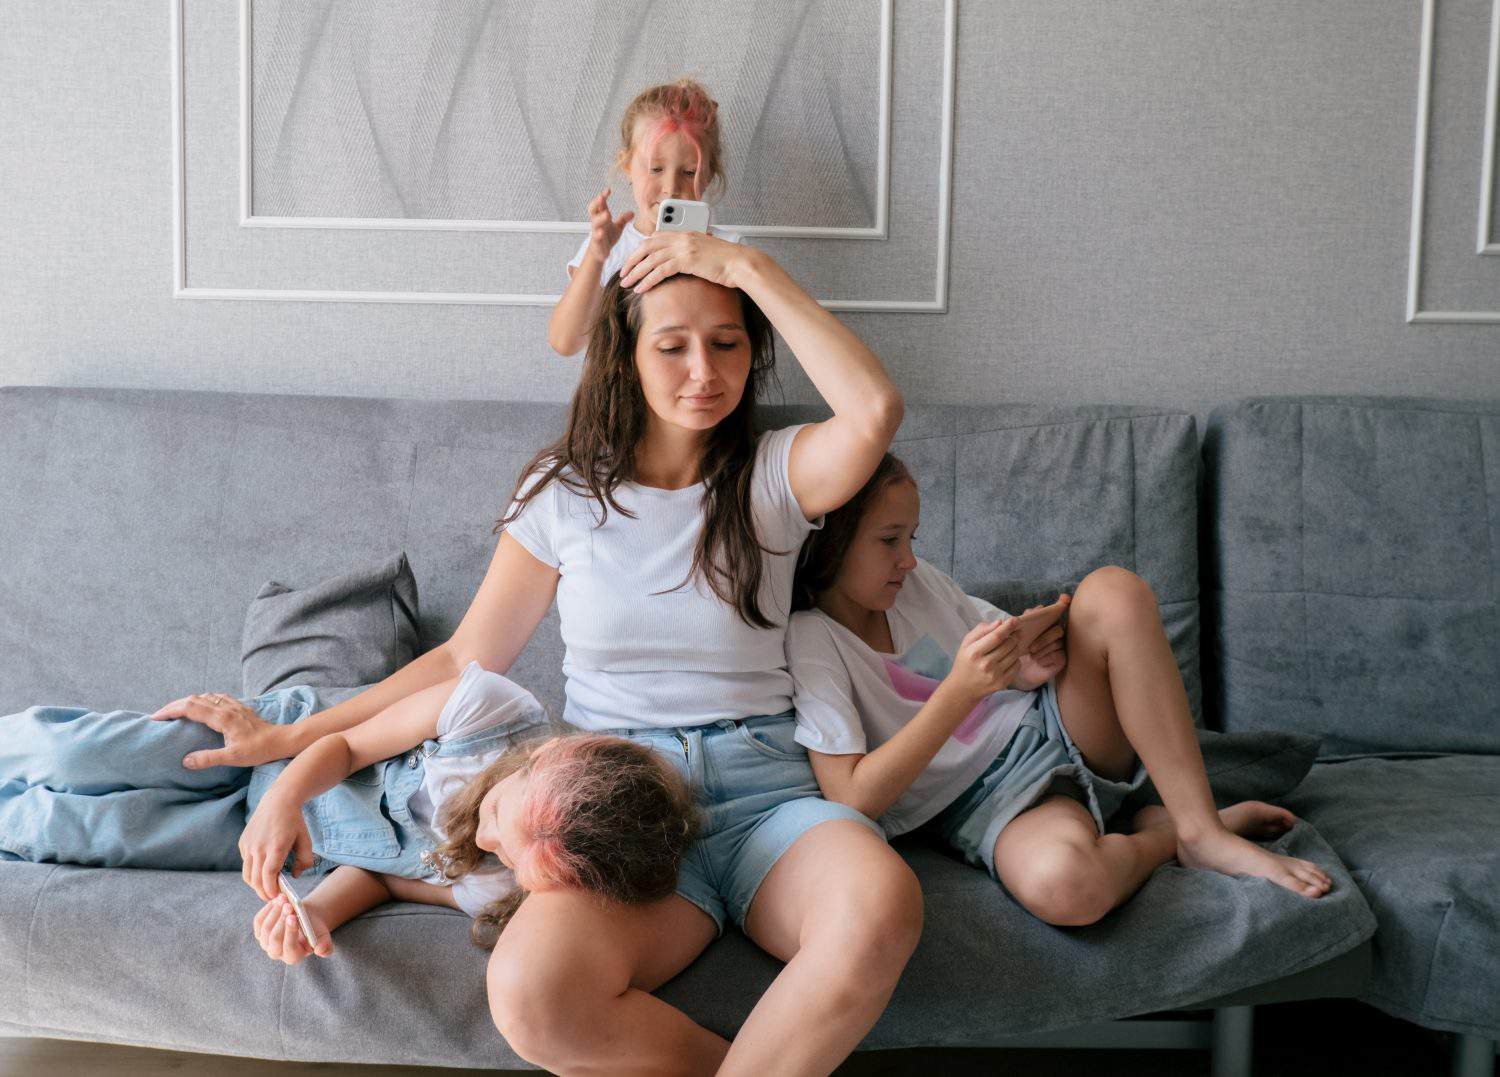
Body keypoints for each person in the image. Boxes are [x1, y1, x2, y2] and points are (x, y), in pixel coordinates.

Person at [159, 231, 915, 1075]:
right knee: (529, 992)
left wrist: (740, 264)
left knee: (881, 899)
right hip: (615, 807)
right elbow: (460, 661)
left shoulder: (777, 472)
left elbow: (874, 411)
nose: (704, 370)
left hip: (771, 793)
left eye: (727, 342)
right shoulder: (563, 496)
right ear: (625, 356)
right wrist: (291, 741)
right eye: (671, 345)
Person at [784, 454, 1333, 929]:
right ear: (828, 539)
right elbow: (852, 800)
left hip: (1052, 721)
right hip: (993, 803)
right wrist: (962, 689)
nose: (908, 558)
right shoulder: (812, 640)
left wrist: (1022, 665)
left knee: (1113, 592)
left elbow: (963, 661)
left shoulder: (913, 583)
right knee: (1067, 888)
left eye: (912, 538)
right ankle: (1166, 839)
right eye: (889, 540)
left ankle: (1202, 830)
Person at [0, 664, 696, 960]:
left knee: (81, 832)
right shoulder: (494, 712)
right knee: (62, 752)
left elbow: (389, 878)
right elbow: (347, 741)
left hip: (300, 846)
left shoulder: (500, 886)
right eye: (498, 811)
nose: (483, 837)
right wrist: (282, 798)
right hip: (281, 756)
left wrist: (318, 914)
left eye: (506, 852)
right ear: (546, 759)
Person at [548, 77, 741, 357]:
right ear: (627, 166)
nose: (671, 188)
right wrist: (596, 257)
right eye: (656, 168)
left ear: (709, 175)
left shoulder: (729, 248)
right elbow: (565, 342)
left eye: (689, 172)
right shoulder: (607, 247)